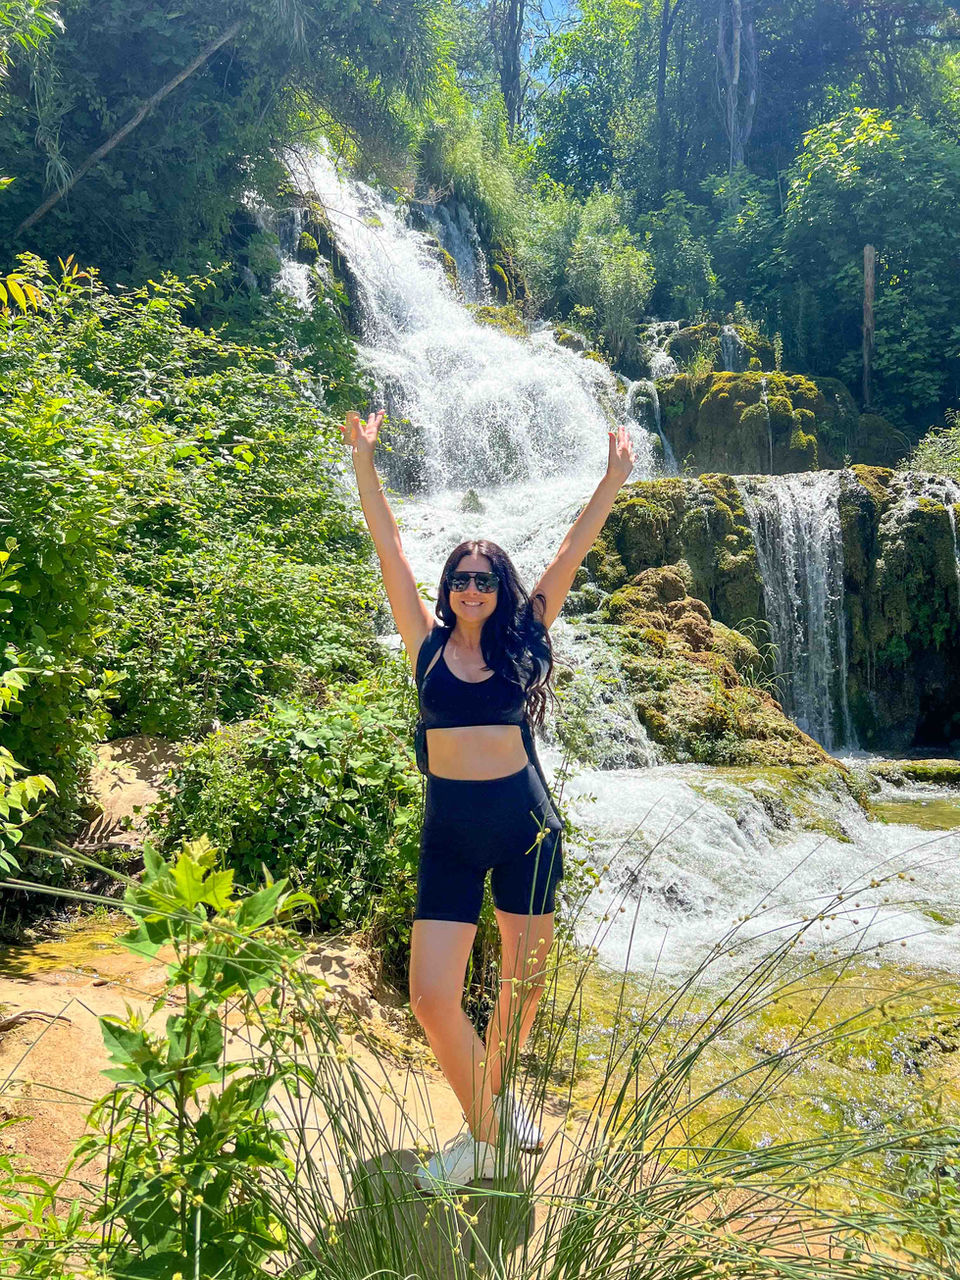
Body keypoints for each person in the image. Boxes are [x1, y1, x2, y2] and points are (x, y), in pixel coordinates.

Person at [341, 408, 635, 1193]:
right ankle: (490, 1129)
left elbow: (571, 551)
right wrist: (365, 462)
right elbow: (389, 549)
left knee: (521, 986)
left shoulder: (526, 633)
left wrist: (612, 479)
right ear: (448, 590)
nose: (471, 588)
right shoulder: (426, 641)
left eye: (484, 579)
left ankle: (490, 1116)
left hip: (524, 829)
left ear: (501, 588)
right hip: (450, 835)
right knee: (433, 996)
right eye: (460, 579)